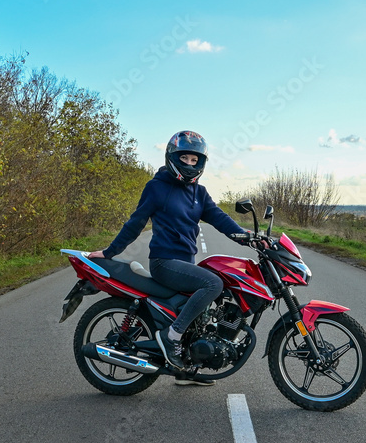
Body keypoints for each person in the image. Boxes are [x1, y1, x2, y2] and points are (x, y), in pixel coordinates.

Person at [87, 130, 252, 385]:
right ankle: (171, 337)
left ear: (201, 163)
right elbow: (136, 222)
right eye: (184, 157)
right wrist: (110, 252)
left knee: (207, 307)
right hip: (164, 261)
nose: (189, 164)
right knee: (213, 284)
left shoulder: (200, 193)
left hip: (186, 263)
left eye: (194, 160)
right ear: (172, 157)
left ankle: (187, 371)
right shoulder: (157, 187)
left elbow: (220, 219)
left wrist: (247, 236)